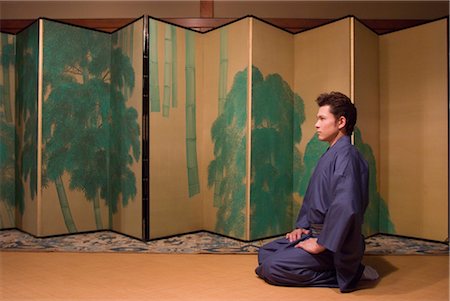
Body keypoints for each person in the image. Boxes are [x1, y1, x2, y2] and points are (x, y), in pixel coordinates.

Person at [255, 91, 379, 293]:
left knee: (271, 268)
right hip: (314, 233)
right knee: (265, 253)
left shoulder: (347, 157)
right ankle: (326, 263)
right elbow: (315, 198)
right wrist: (302, 227)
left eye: (322, 118)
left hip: (335, 243)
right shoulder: (331, 153)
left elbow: (346, 206)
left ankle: (348, 272)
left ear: (341, 122)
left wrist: (321, 244)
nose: (316, 124)